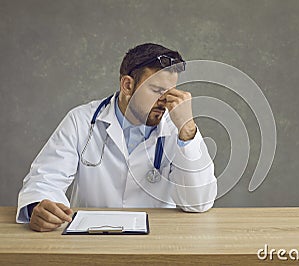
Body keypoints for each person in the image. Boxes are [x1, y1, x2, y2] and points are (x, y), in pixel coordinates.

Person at [16, 43, 217, 232]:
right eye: (157, 91)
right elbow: (46, 179)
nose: (164, 102)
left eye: (170, 92)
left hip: (157, 241)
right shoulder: (81, 120)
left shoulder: (177, 129)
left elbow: (198, 203)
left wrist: (188, 131)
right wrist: (39, 206)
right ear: (128, 85)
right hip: (91, 239)